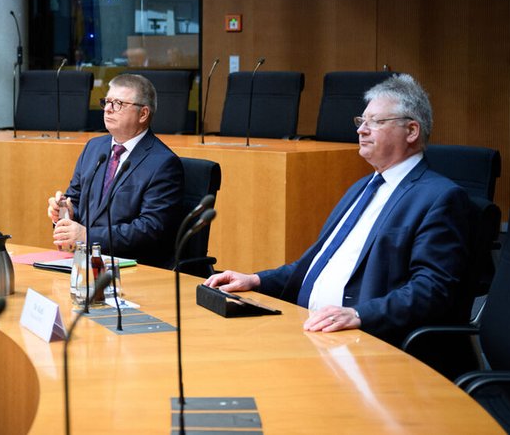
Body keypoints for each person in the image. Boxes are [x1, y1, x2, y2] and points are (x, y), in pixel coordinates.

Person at [204, 74, 472, 345]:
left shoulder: (440, 197)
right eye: (361, 121)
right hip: (310, 329)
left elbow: (433, 289)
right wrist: (255, 280)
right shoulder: (362, 188)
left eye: (375, 122)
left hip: (367, 341)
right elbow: (315, 264)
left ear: (412, 131)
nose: (361, 130)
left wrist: (359, 314)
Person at [47, 74, 184, 269]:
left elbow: (150, 229)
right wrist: (66, 212)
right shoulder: (94, 148)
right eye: (107, 102)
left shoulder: (163, 163)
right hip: (84, 262)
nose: (108, 109)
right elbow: (75, 199)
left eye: (118, 103)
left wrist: (87, 236)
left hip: (134, 268)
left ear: (143, 114)